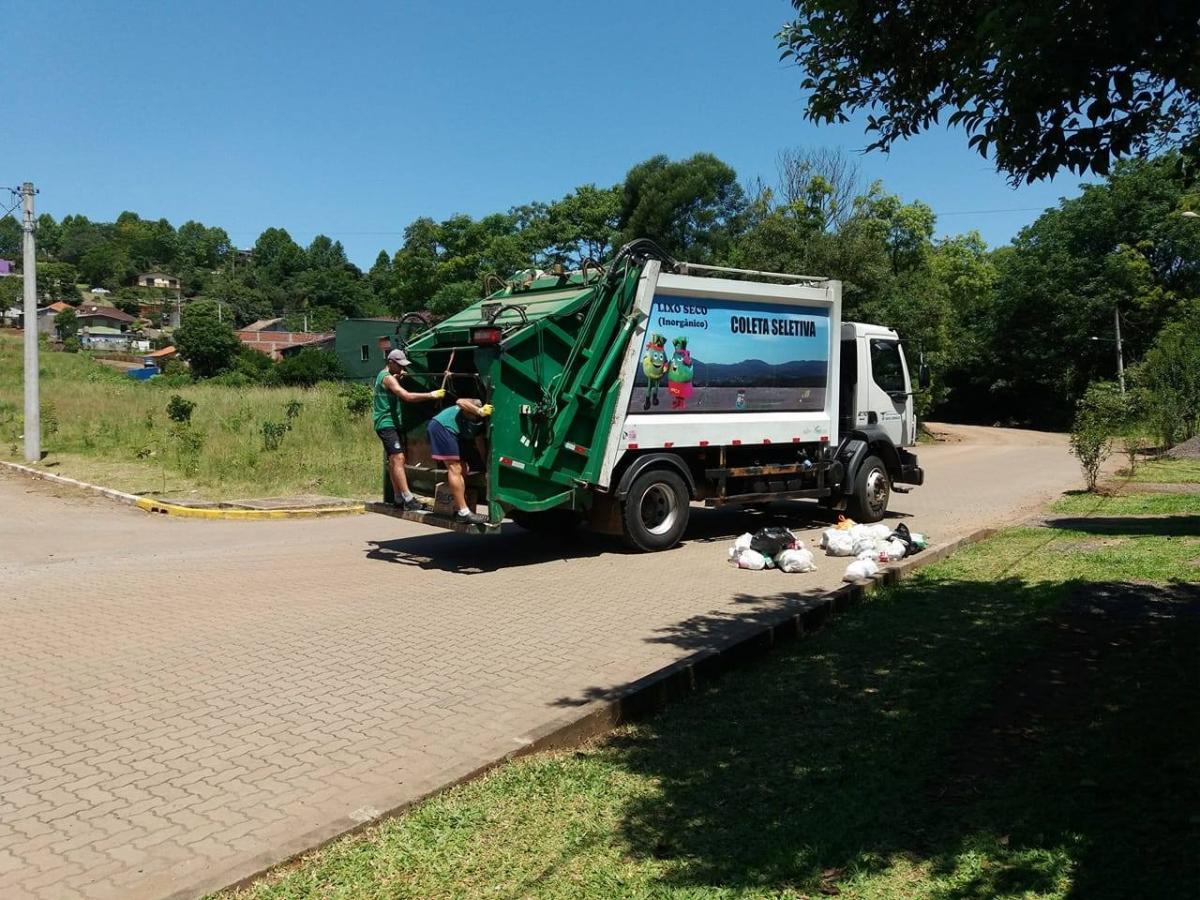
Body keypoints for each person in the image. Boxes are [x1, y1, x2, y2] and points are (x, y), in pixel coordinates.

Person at [374, 348, 444, 511]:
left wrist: (398, 376)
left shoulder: (387, 375)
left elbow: (393, 381)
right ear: (390, 363)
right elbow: (406, 396)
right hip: (386, 424)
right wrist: (431, 395)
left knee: (393, 460)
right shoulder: (387, 379)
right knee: (398, 459)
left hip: (390, 424)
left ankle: (398, 498)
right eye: (399, 366)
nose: (402, 369)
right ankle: (408, 498)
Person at [426, 397, 493, 525]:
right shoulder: (466, 407)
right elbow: (459, 401)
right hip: (441, 428)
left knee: (463, 468)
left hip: (452, 432)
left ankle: (459, 507)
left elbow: (480, 444)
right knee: (454, 468)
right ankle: (463, 512)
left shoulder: (479, 422)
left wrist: (486, 465)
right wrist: (479, 410)